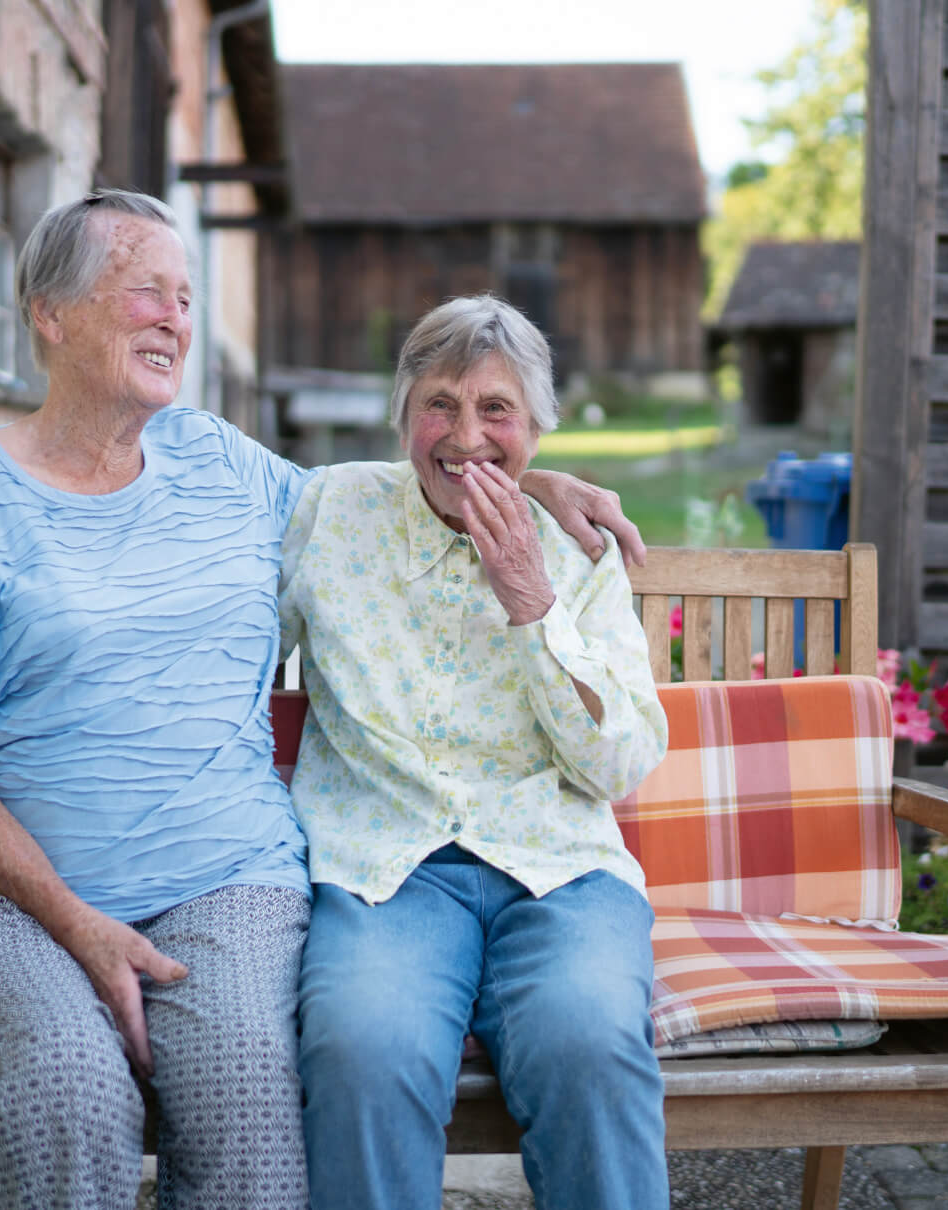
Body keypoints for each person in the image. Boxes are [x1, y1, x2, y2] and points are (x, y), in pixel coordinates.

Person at [0, 191, 640, 1210]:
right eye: (145, 293)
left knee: (254, 1119)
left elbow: (402, 495)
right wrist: (82, 926)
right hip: (18, 899)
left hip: (227, 881)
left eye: (184, 296)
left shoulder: (221, 464)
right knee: (71, 1095)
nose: (175, 317)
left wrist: (534, 481)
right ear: (50, 311)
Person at [284, 296, 671, 1210]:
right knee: (359, 1046)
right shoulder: (331, 512)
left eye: (496, 409)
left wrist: (534, 606)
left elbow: (619, 763)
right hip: (387, 868)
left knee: (592, 1042)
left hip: (560, 873)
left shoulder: (577, 555)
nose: (465, 433)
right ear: (403, 416)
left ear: (537, 426)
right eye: (439, 405)